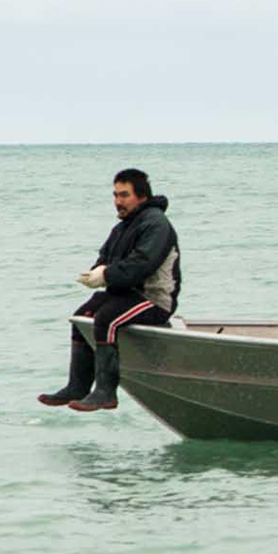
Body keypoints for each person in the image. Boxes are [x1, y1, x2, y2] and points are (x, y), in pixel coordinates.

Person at [37, 168, 181, 412]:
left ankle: (105, 392)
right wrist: (97, 272)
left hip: (154, 300)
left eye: (124, 195)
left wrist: (106, 274)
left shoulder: (157, 224)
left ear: (142, 196)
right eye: (115, 195)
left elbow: (141, 265)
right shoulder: (122, 228)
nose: (117, 201)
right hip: (126, 295)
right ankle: (77, 386)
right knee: (82, 316)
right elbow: (105, 258)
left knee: (106, 319)